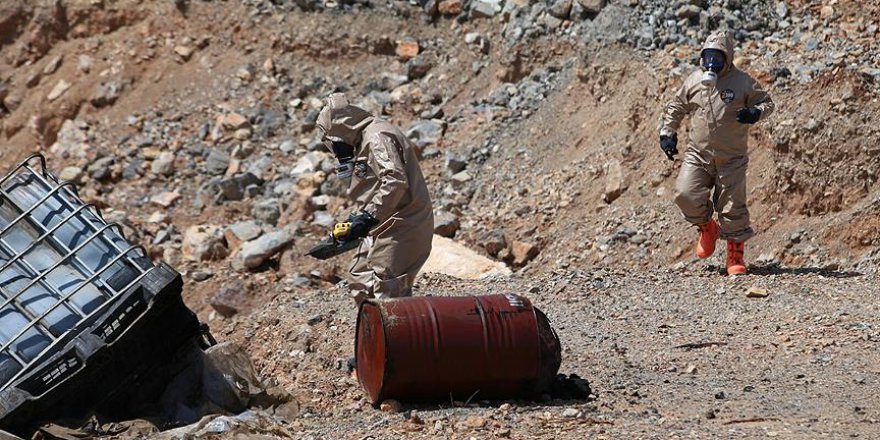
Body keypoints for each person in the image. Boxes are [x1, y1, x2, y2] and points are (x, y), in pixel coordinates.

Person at [659, 30, 775, 275]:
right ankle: (706, 227)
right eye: (708, 56)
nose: (712, 62)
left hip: (731, 157)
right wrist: (667, 133)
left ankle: (735, 254)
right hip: (698, 155)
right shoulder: (694, 80)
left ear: (728, 57)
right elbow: (676, 107)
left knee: (733, 208)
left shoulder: (743, 82)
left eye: (718, 57)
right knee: (685, 194)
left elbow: (767, 102)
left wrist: (755, 113)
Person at [316, 93, 434, 304]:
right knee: (360, 279)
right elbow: (373, 190)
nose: (334, 149)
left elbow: (395, 181)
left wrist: (368, 216)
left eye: (333, 142)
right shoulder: (363, 141)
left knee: (386, 285)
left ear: (341, 129)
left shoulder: (376, 137)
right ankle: (372, 333)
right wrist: (355, 221)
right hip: (384, 223)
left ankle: (398, 334)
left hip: (403, 223)